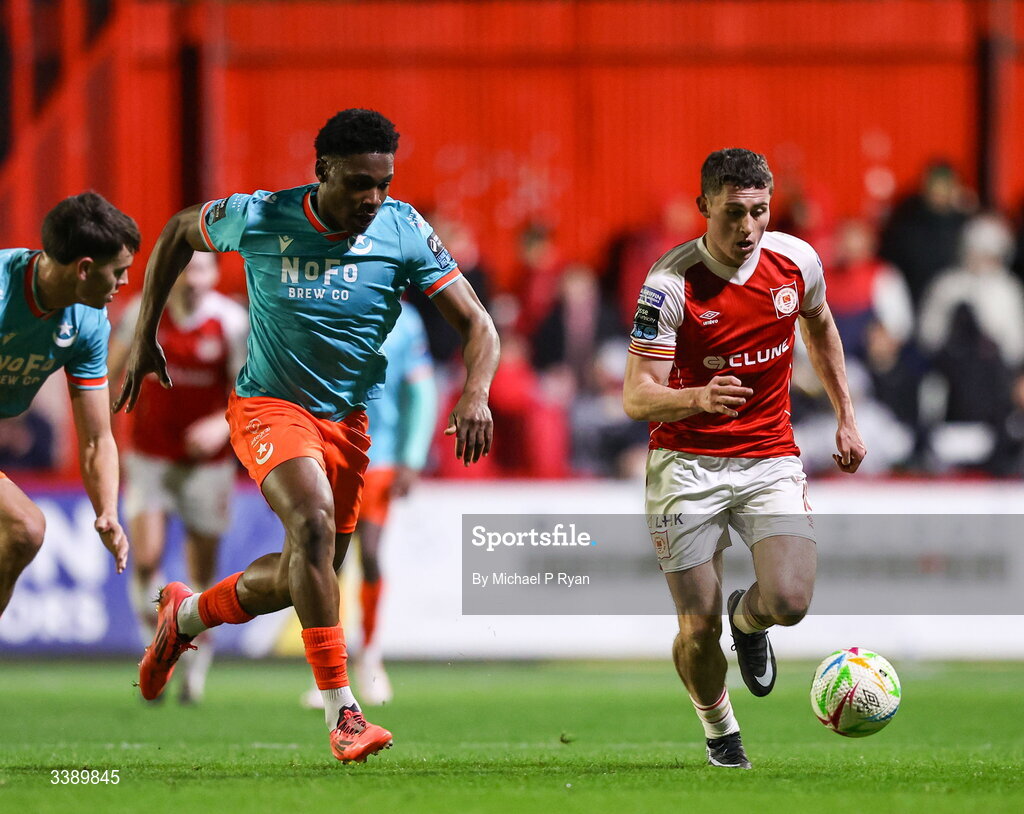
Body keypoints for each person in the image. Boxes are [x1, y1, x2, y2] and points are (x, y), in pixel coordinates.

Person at [114, 109, 499, 764]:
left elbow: (479, 326)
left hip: (346, 422)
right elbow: (181, 228)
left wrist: (475, 392)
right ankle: (343, 713)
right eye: (357, 184)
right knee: (316, 528)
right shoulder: (263, 216)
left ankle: (184, 618)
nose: (371, 200)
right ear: (322, 172)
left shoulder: (404, 229)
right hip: (268, 406)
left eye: (382, 183)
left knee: (304, 574)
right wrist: (147, 327)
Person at [622, 149, 866, 770]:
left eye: (759, 212)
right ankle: (720, 729)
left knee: (790, 600)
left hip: (768, 457)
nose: (748, 228)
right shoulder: (669, 283)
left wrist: (845, 414)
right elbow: (635, 395)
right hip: (686, 463)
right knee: (698, 630)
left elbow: (821, 326)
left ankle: (750, 620)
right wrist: (697, 396)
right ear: (703, 207)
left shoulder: (797, 260)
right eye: (734, 213)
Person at [109, 251, 248, 703]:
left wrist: (219, 427)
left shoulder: (230, 322)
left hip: (206, 468)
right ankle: (160, 647)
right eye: (185, 268)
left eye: (203, 269)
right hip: (150, 457)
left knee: (201, 574)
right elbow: (111, 370)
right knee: (145, 559)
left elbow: (249, 392)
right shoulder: (145, 312)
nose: (193, 278)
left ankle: (197, 662)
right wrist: (109, 427)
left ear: (214, 275)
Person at [0, 191, 139, 615]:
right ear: (84, 269)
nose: (125, 283)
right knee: (24, 526)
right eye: (119, 272)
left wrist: (107, 510)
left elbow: (97, 438)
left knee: (23, 531)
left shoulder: (88, 323)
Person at [302, 300, 437, 709]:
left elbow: (422, 390)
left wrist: (412, 458)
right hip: (329, 453)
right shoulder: (328, 304)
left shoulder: (407, 321)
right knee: (328, 563)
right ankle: (328, 670)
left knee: (372, 555)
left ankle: (371, 657)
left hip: (379, 457)